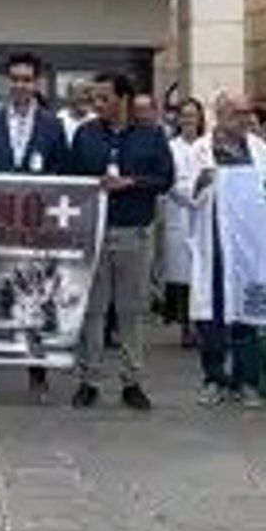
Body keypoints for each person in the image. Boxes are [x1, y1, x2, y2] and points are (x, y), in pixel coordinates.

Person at [66, 72, 173, 411]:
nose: (97, 105)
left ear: (123, 100)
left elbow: (165, 178)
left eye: (103, 98)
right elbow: (69, 175)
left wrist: (132, 182)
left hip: (133, 230)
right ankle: (89, 379)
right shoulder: (85, 134)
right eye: (93, 99)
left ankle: (132, 380)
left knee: (130, 309)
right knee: (93, 310)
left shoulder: (151, 135)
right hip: (94, 230)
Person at [0, 52, 69, 402]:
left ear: (36, 83)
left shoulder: (52, 125)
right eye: (15, 79)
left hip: (36, 229)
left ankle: (36, 375)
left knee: (35, 298)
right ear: (7, 82)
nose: (21, 85)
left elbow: (62, 174)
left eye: (27, 79)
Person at [182, 91, 266, 406]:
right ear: (221, 115)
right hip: (215, 243)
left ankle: (247, 381)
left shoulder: (260, 150)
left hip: (248, 246)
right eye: (238, 113)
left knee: (247, 314)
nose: (246, 118)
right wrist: (203, 183)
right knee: (213, 317)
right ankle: (214, 378)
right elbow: (183, 190)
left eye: (249, 112)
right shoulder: (200, 151)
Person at [161, 97, 205, 347]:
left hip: (201, 214)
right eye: (185, 115)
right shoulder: (171, 146)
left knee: (200, 272)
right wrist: (186, 195)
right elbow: (168, 178)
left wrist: (199, 196)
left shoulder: (207, 145)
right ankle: (185, 325)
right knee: (182, 276)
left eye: (193, 115)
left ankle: (199, 323)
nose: (189, 120)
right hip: (178, 211)